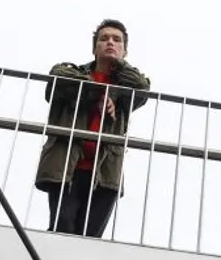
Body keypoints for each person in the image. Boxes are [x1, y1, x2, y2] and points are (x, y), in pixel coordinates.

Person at [35, 19, 151, 238]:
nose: (110, 43)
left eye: (117, 40)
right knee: (63, 227)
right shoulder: (71, 72)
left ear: (125, 51)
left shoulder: (125, 87)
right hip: (66, 166)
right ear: (94, 48)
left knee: (90, 238)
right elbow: (57, 76)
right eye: (104, 39)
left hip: (105, 172)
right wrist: (98, 92)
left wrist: (115, 86)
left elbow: (142, 87)